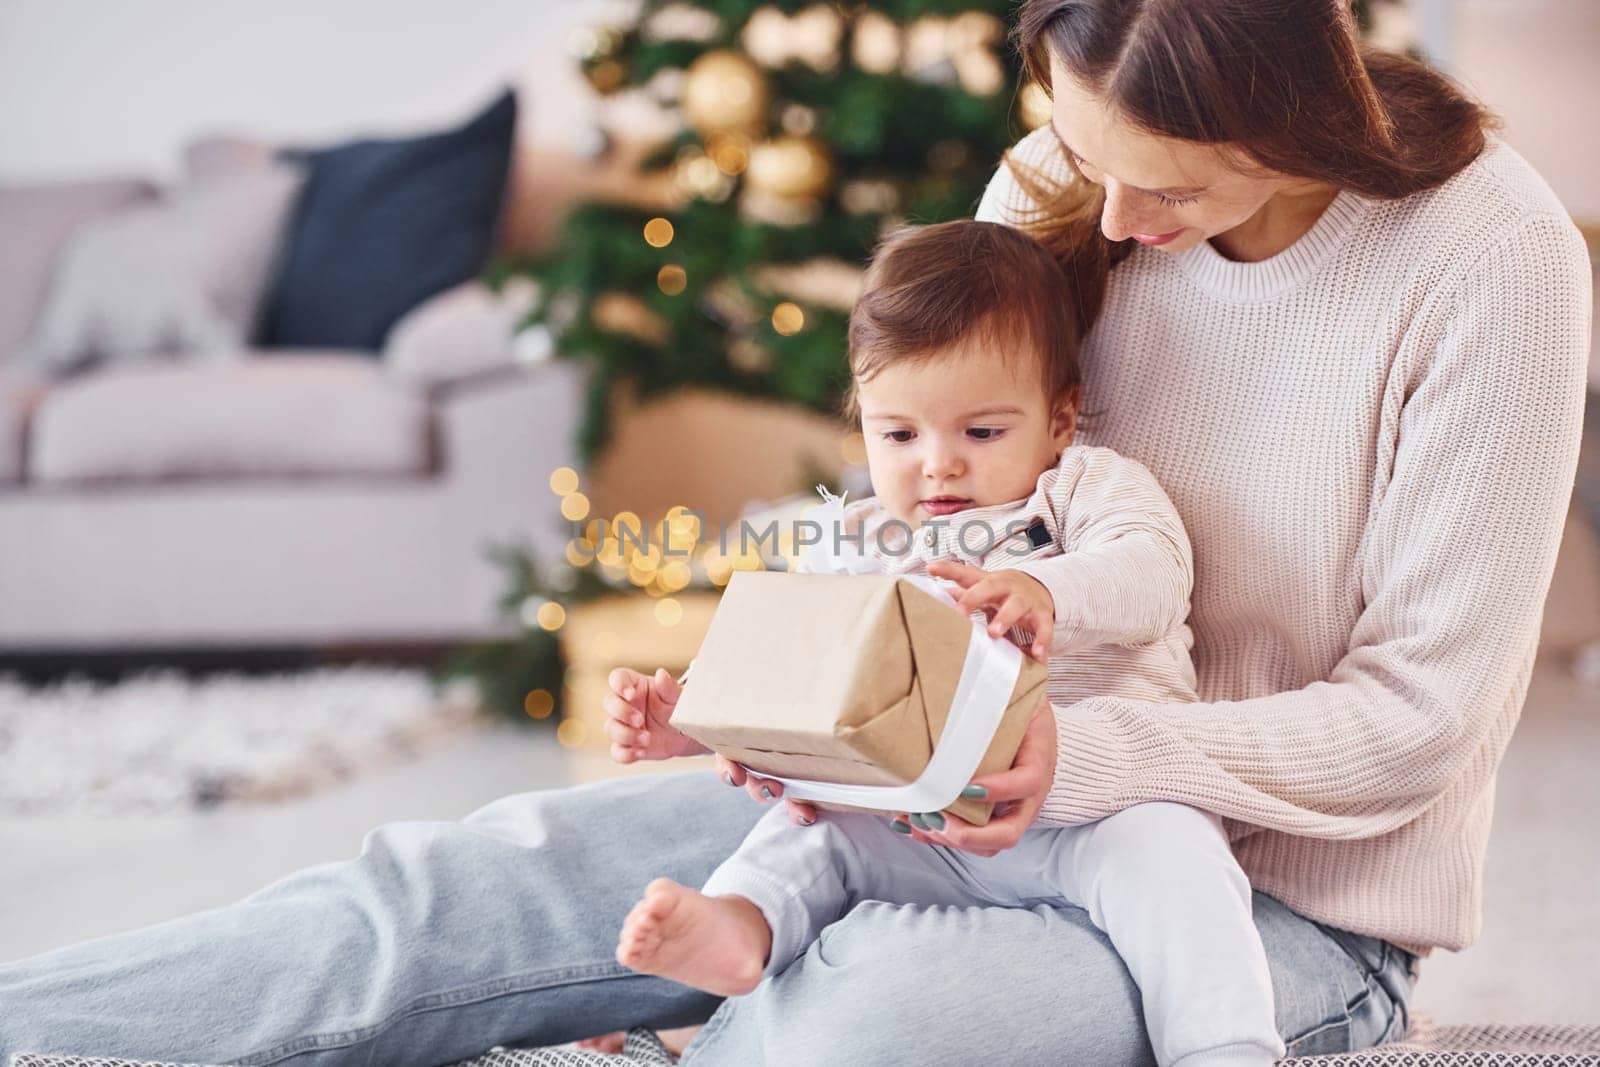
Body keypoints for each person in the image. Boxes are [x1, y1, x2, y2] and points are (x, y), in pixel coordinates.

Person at [1, 1, 1589, 1064]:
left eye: (1161, 189)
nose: (1108, 227)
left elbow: (1418, 723)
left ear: (1294, 119)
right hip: (931, 801)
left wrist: (1081, 766)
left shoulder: (1489, 260)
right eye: (1084, 160)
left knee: (872, 1020)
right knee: (464, 886)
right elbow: (926, 501)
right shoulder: (1075, 174)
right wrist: (800, 721)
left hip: (1270, 911)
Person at [608, 217, 1285, 1067]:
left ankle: (1223, 1047)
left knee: (1177, 857)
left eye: (982, 433)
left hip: (1091, 815)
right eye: (899, 435)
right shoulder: (854, 539)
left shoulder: (1082, 492)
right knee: (804, 829)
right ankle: (739, 928)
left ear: (1061, 418)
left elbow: (1153, 573)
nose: (938, 466)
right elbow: (800, 667)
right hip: (915, 826)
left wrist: (1046, 589)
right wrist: (700, 718)